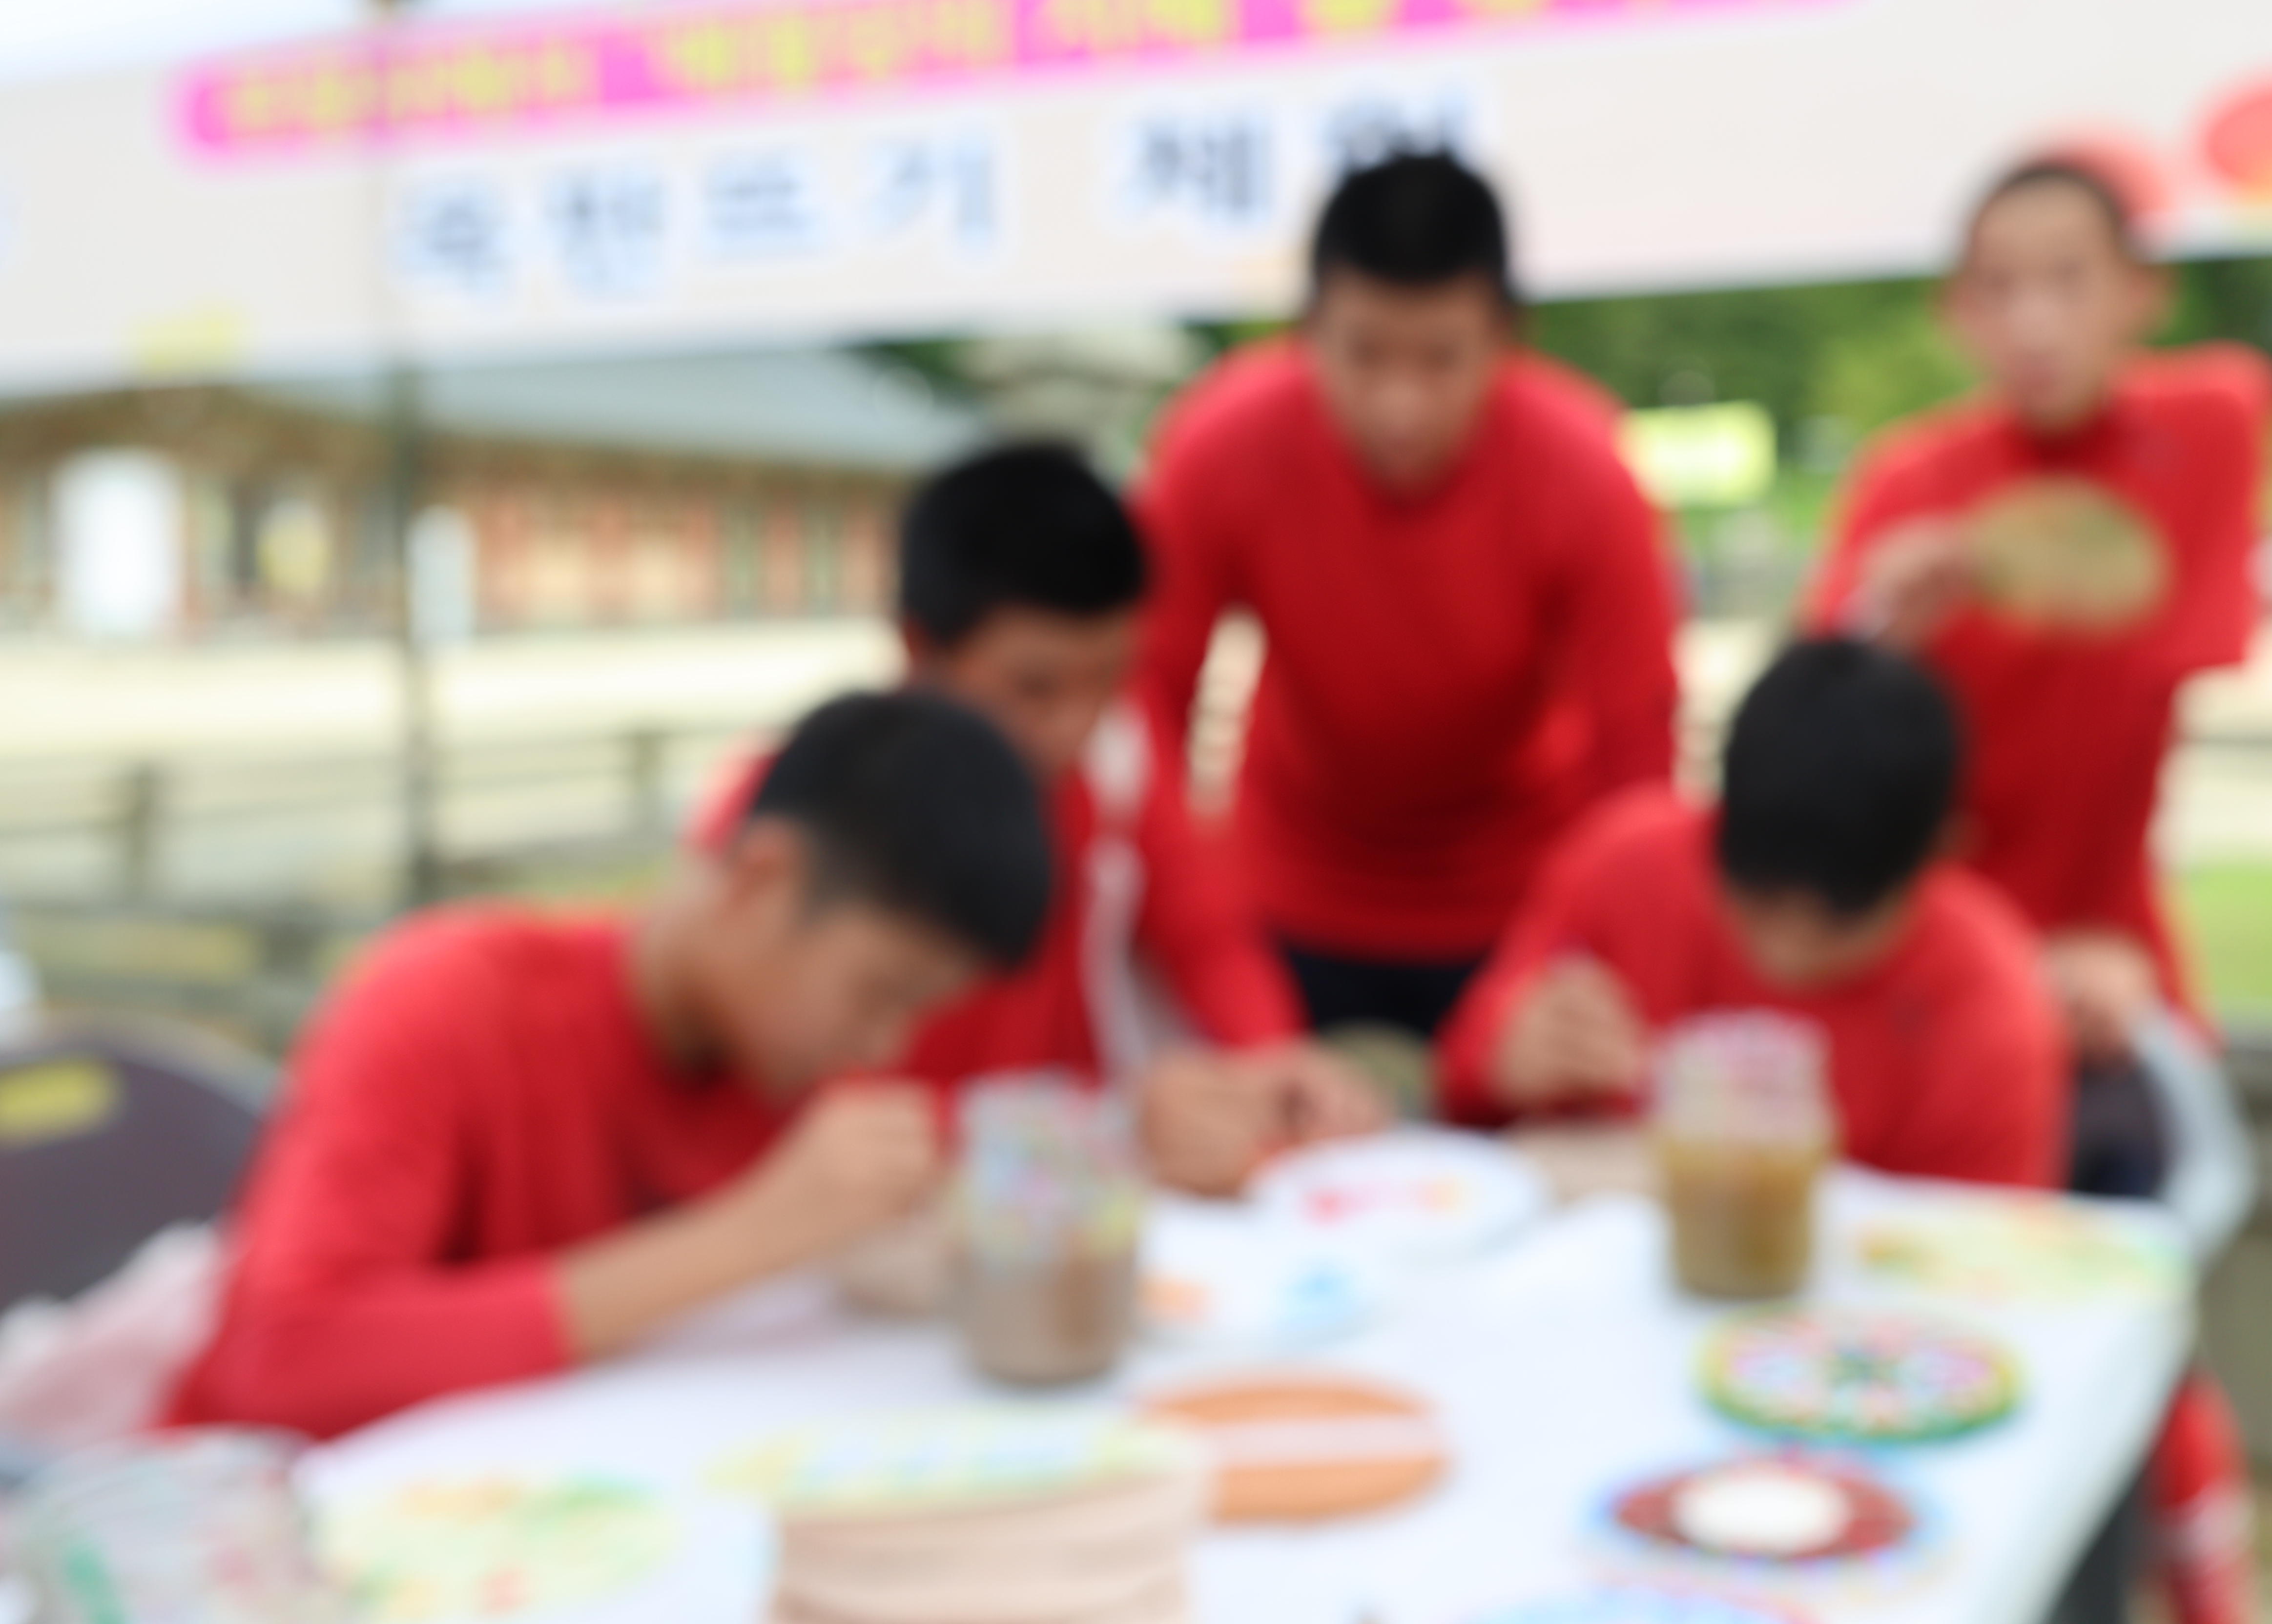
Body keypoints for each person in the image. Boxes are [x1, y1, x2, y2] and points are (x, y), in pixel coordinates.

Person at [1805, 156, 2272, 1624]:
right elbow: (1820, 747)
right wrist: (1874, 621)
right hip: (1938, 978)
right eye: (1999, 286)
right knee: (1928, 1314)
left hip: (2115, 957)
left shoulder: (2200, 434)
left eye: (2070, 278)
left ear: (2142, 290)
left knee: (2143, 1319)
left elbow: (2228, 433)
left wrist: (2083, 956)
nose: (2035, 319)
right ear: (1956, 311)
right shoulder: (1912, 487)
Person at [170, 690, 1052, 1440]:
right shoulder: (442, 1004)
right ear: (763, 878)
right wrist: (751, 1238)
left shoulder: (800, 1075)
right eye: (880, 993)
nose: (885, 1045)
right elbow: (280, 1360)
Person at [692, 444, 1383, 1195]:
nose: (1074, 725)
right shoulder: (798, 817)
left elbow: (1206, 932)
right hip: (899, 1207)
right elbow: (791, 1113)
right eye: (1034, 687)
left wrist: (1272, 1060)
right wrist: (1108, 1128)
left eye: (1109, 677)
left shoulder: (1120, 752)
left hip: (1069, 1190)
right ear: (920, 648)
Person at [1136, 151, 1680, 1041]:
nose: (1401, 405)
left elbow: (1637, 757)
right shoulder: (1218, 446)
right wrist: (1210, 949)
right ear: (1307, 328)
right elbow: (1146, 709)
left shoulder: (1586, 473)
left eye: (1440, 358)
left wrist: (1584, 957)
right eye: (1363, 353)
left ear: (1505, 336)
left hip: (1521, 908)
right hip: (1285, 897)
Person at [1438, 638, 2065, 1189]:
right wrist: (1503, 1060)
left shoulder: (1991, 1004)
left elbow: (1981, 1247)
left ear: (1937, 857)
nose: (1786, 948)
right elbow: (1460, 1079)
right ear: (1715, 817)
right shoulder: (1618, 867)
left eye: (1835, 922)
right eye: (1759, 902)